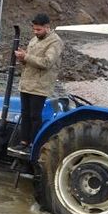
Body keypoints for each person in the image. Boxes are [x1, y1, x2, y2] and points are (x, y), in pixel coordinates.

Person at [10, 13, 64, 154]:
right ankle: (24, 142)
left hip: (40, 86)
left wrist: (26, 56)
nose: (35, 32)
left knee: (35, 115)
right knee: (25, 114)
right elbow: (29, 60)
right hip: (26, 83)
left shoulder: (55, 42)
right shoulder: (34, 40)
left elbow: (47, 62)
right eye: (34, 29)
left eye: (38, 30)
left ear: (47, 27)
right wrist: (22, 58)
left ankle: (35, 144)